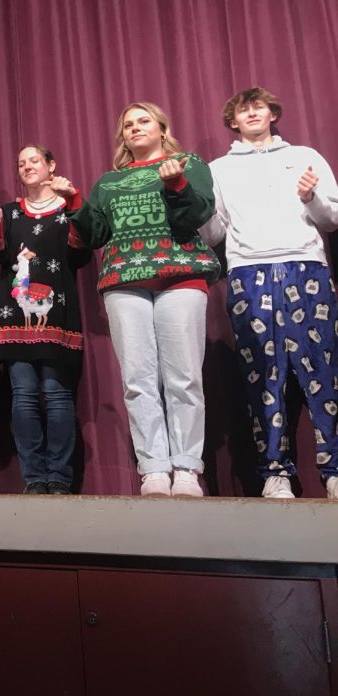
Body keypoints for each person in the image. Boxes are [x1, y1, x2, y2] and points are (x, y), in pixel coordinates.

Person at [56, 102, 220, 497]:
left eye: (143, 120)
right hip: (123, 281)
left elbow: (197, 215)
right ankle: (154, 469)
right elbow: (94, 236)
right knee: (138, 380)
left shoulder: (188, 163)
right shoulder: (108, 182)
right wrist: (75, 201)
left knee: (183, 377)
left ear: (162, 128)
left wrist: (177, 184)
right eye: (128, 124)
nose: (135, 128)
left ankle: (185, 468)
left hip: (180, 276)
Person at [200, 87, 338, 500]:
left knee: (323, 370)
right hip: (248, 273)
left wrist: (311, 196)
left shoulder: (305, 156)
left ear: (272, 113)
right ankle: (274, 472)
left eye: (259, 107)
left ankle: (333, 469)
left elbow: (332, 219)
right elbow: (214, 233)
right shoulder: (218, 168)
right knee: (262, 375)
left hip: (306, 266)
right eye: (244, 110)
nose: (253, 114)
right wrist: (194, 209)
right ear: (233, 121)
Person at [0, 145, 91, 494]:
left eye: (34, 161)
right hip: (14, 315)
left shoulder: (67, 207)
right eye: (21, 163)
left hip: (56, 312)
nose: (27, 167)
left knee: (57, 395)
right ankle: (34, 478)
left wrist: (73, 201)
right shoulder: (11, 212)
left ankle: (58, 477)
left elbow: (82, 249)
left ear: (51, 166)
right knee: (24, 396)